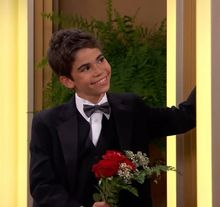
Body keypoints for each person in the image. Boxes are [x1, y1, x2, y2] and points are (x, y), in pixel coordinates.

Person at [29, 28, 196, 207]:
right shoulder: (46, 124)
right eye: (86, 68)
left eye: (100, 60)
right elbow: (42, 186)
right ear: (68, 81)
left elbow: (183, 117)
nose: (100, 71)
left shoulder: (132, 108)